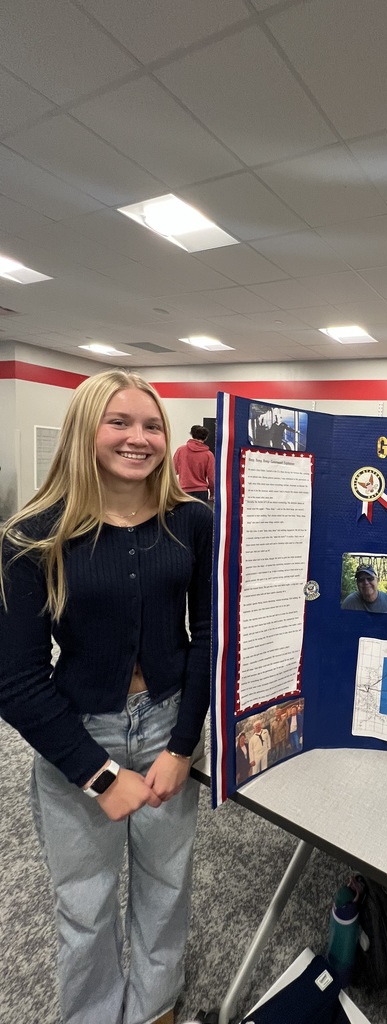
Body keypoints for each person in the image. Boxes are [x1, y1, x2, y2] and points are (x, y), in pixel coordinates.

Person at [0, 369, 213, 1024]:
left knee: (165, 887)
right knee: (86, 904)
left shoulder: (193, 521)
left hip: (167, 724)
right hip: (78, 735)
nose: (138, 438)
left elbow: (207, 638)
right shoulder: (33, 535)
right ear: (85, 430)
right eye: (119, 422)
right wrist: (97, 775)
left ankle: (154, 1008)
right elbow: (16, 680)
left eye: (151, 425)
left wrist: (182, 747)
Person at [173, 424, 215, 500]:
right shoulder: (209, 455)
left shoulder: (180, 450)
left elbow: (173, 471)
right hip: (201, 492)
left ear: (192, 435)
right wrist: (212, 493)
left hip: (184, 491)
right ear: (206, 438)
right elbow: (211, 477)